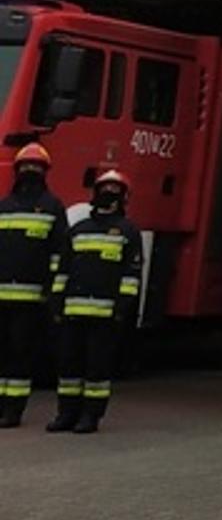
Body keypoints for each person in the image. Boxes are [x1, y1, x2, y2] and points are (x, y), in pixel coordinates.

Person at [48, 170, 141, 434]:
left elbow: (131, 275)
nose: (108, 193)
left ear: (123, 197)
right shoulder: (77, 230)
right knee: (68, 366)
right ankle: (66, 414)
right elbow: (63, 269)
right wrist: (56, 301)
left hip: (106, 315)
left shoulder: (128, 232)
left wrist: (122, 308)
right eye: (104, 188)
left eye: (114, 189)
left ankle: (91, 416)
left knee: (97, 369)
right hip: (72, 312)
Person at [0, 144, 69, 429]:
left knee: (20, 354)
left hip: (31, 299)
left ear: (45, 173)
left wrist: (53, 292)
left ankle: (13, 409)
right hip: (1, 296)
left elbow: (59, 254)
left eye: (35, 168)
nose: (30, 172)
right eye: (26, 167)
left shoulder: (53, 207)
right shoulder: (4, 207)